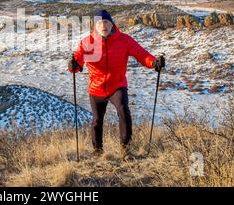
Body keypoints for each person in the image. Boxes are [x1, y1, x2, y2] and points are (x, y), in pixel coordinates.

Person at [68, 9, 165, 158]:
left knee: (123, 110)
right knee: (97, 120)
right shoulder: (87, 42)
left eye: (106, 22)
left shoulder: (124, 40)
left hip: (117, 85)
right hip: (96, 87)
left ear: (112, 24)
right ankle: (98, 150)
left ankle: (125, 149)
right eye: (99, 22)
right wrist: (73, 65)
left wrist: (153, 62)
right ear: (95, 25)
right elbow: (78, 59)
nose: (103, 25)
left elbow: (141, 54)